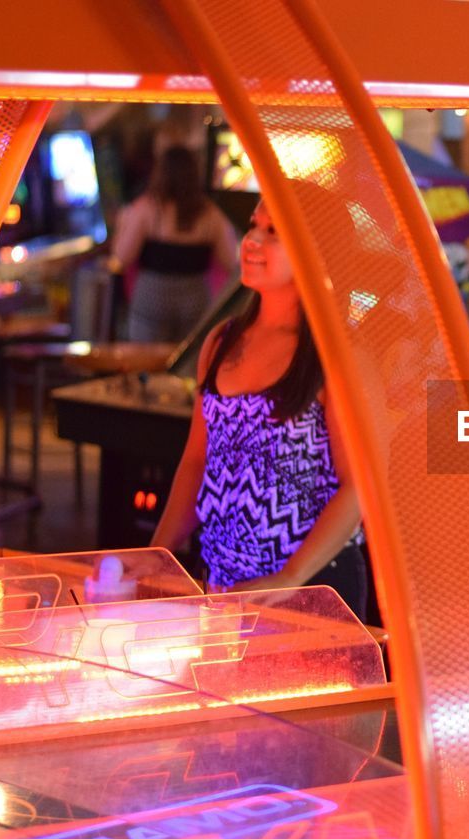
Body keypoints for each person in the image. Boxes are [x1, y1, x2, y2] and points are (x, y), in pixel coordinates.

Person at [151, 198, 367, 619]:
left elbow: (358, 489)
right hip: (224, 588)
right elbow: (197, 462)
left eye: (274, 232)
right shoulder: (222, 340)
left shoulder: (337, 353)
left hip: (314, 589)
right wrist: (158, 553)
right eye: (254, 226)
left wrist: (289, 577)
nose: (251, 240)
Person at [110, 145, 238, 342]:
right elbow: (232, 264)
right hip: (195, 300)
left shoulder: (147, 209)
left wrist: (121, 225)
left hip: (152, 299)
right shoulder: (212, 214)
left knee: (146, 365)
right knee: (187, 367)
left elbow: (121, 259)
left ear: (160, 174)